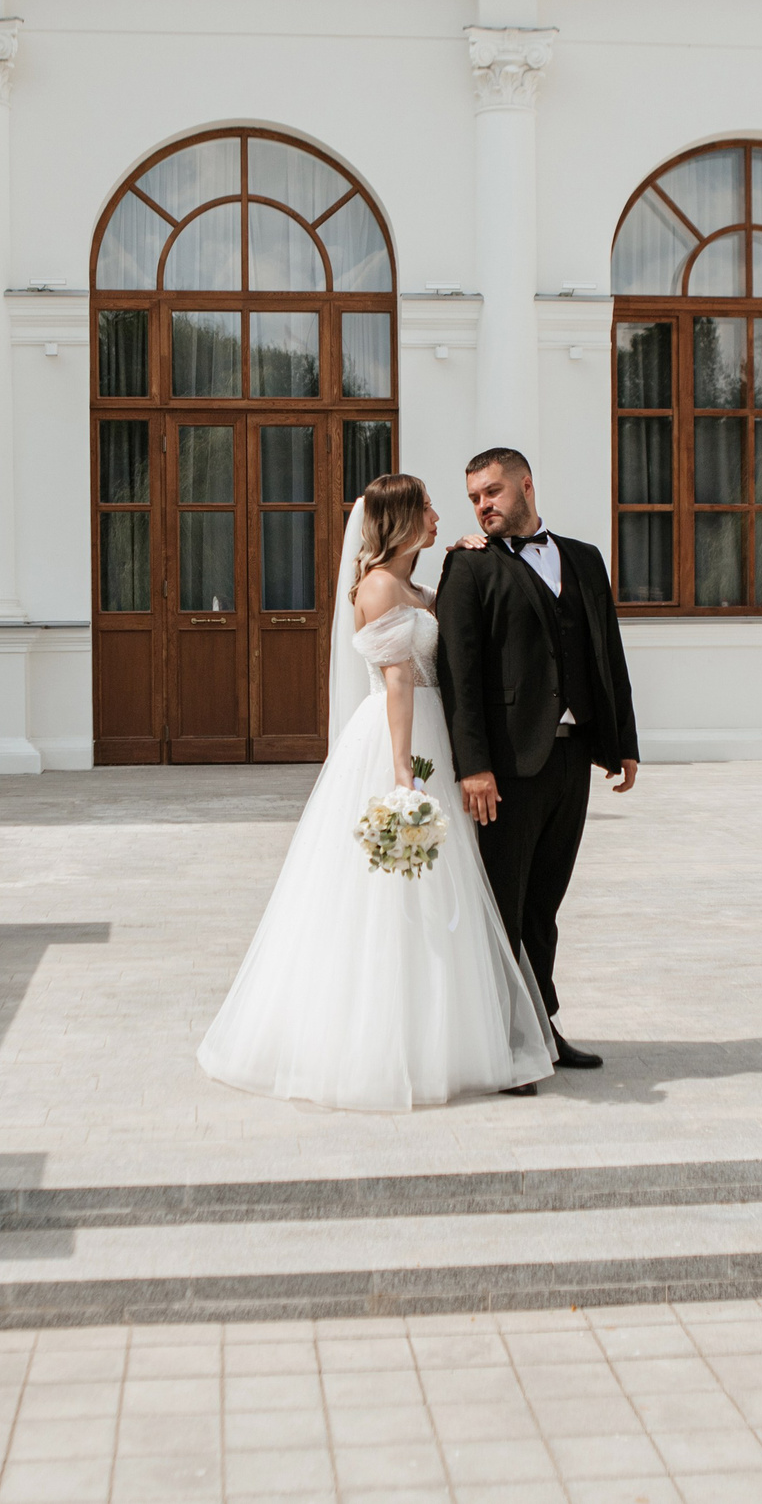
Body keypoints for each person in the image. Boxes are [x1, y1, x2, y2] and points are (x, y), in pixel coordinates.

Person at [197, 473, 556, 1111]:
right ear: (401, 519)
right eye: (428, 509)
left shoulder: (417, 585)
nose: (441, 516)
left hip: (432, 735)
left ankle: (440, 1028)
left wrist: (463, 557)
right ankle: (385, 1038)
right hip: (401, 741)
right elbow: (395, 680)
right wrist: (401, 775)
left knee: (442, 887)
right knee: (393, 891)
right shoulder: (380, 586)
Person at [435, 447, 641, 1078]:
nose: (483, 506)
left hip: (572, 756)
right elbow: (458, 675)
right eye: (474, 498)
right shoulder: (468, 569)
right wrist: (473, 766)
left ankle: (542, 1028)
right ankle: (502, 1045)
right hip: (505, 768)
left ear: (526, 484)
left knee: (544, 904)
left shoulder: (584, 558)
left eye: (492, 491)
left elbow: (608, 651)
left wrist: (624, 742)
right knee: (503, 903)